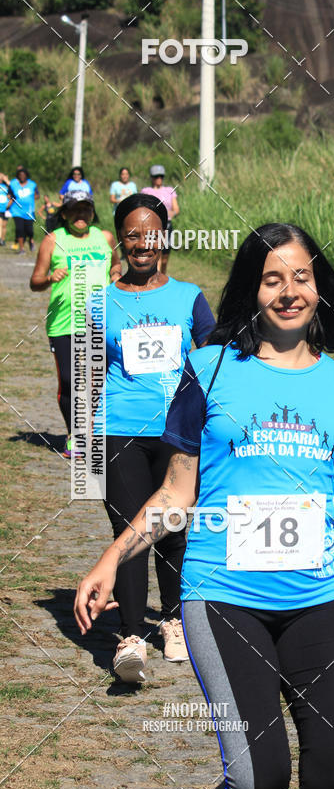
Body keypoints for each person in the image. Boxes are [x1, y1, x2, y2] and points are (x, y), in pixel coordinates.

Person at [74, 222, 334, 789]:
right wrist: (112, 558)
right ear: (253, 289)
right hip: (224, 599)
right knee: (257, 779)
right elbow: (175, 493)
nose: (289, 291)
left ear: (319, 287)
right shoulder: (209, 370)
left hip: (322, 602)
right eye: (273, 279)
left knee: (332, 780)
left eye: (301, 277)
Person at [92, 192, 214, 682]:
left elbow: (214, 363)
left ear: (165, 237)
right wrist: (84, 442)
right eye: (132, 234)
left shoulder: (189, 298)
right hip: (119, 429)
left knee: (173, 528)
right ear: (119, 240)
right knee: (128, 528)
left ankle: (172, 621)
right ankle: (129, 637)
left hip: (178, 432)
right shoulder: (100, 301)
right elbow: (87, 373)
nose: (143, 242)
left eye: (152, 232)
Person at [29, 191, 121, 457]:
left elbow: (116, 266)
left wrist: (115, 275)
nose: (81, 215)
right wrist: (50, 278)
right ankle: (75, 436)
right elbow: (34, 282)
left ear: (92, 213)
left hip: (101, 321)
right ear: (65, 213)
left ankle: (99, 433)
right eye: (75, 210)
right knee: (70, 381)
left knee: (103, 381)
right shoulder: (53, 240)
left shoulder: (104, 237)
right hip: (64, 324)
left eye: (86, 210)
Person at [141, 165, 179, 274]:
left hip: (167, 225)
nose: (159, 179)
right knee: (157, 253)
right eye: (156, 176)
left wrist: (170, 213)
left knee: (165, 257)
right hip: (152, 226)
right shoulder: (146, 191)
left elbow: (176, 209)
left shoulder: (169, 190)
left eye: (161, 176)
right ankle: (156, 279)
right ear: (151, 177)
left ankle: (163, 276)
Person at [9, 166, 39, 253]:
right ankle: (21, 248)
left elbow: (37, 195)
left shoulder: (32, 184)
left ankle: (31, 240)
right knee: (19, 229)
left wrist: (35, 196)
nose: (22, 176)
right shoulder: (14, 184)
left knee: (29, 230)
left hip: (29, 211)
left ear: (26, 175)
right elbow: (10, 194)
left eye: (23, 175)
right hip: (17, 211)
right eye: (20, 175)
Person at [0, 172, 10, 246]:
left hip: (6, 208)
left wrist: (6, 180)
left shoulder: (6, 186)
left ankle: (2, 240)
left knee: (4, 226)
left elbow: (13, 187)